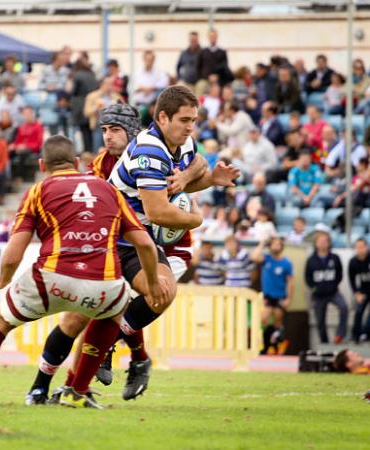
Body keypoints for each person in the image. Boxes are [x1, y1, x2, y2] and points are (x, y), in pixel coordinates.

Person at [0, 135, 169, 409]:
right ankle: (76, 391)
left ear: (42, 165)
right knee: (115, 311)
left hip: (52, 278)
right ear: (77, 163)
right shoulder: (108, 190)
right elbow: (145, 243)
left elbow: (15, 250)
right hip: (103, 282)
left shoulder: (38, 191)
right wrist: (152, 282)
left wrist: (2, 278)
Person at [27, 90, 240, 403]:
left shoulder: (177, 140)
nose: (190, 127)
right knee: (78, 319)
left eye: (193, 120)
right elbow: (157, 211)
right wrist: (196, 219)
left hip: (143, 237)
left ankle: (90, 378)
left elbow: (193, 164)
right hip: (110, 236)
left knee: (157, 294)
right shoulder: (144, 152)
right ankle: (40, 387)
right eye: (185, 120)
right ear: (162, 118)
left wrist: (200, 180)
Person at [251, 237, 293, 355]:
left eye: (278, 244)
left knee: (277, 322)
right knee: (263, 320)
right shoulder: (266, 259)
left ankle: (277, 347)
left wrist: (288, 299)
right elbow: (254, 257)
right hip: (267, 297)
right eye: (273, 244)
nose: (275, 246)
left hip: (280, 296)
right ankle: (262, 346)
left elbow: (290, 282)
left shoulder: (286, 263)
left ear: (281, 247)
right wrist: (262, 243)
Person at [305, 231, 347, 344]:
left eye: (325, 241)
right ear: (316, 243)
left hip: (333, 292)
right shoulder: (311, 260)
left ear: (329, 243)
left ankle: (340, 334)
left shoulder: (335, 258)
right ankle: (325, 343)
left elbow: (339, 274)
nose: (323, 243)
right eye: (320, 241)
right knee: (320, 321)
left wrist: (333, 286)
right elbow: (308, 278)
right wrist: (315, 289)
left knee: (344, 307)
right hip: (318, 296)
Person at [349, 238, 370, 343]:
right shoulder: (353, 262)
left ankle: (366, 334)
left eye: (362, 247)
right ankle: (356, 336)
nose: (360, 249)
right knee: (358, 311)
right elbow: (352, 280)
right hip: (363, 290)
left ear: (367, 247)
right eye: (357, 247)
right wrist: (357, 294)